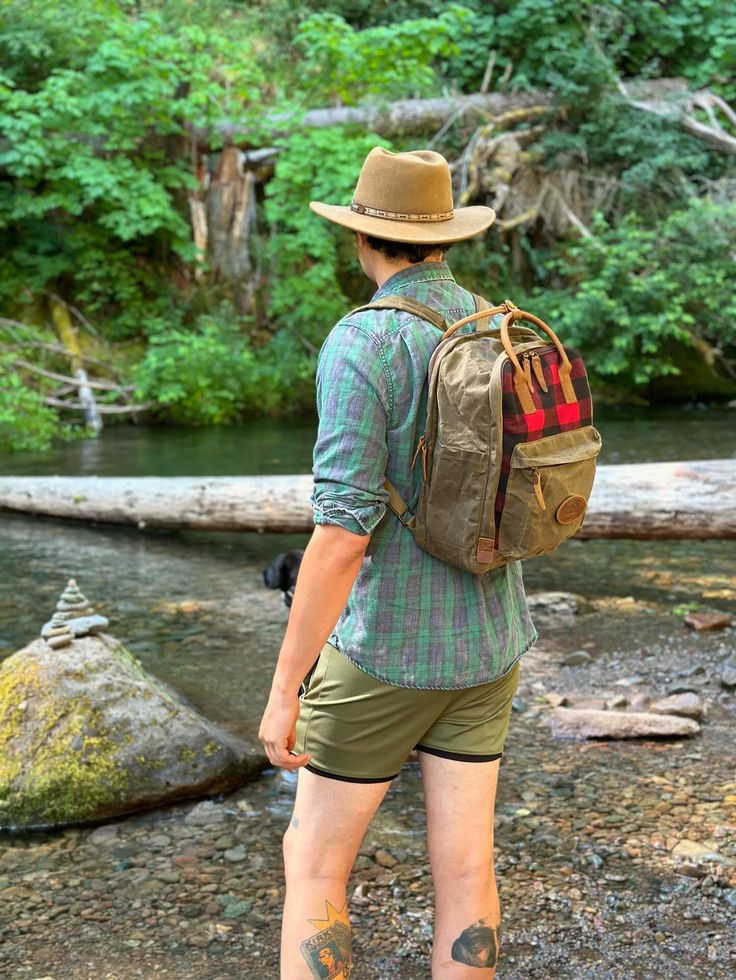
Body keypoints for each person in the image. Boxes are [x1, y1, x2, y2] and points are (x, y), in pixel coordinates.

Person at [259, 147, 536, 979]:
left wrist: (285, 689)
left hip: (385, 651)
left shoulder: (363, 342)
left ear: (363, 239)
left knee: (312, 864)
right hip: (490, 642)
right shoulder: (494, 326)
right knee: (465, 868)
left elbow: (342, 535)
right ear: (443, 238)